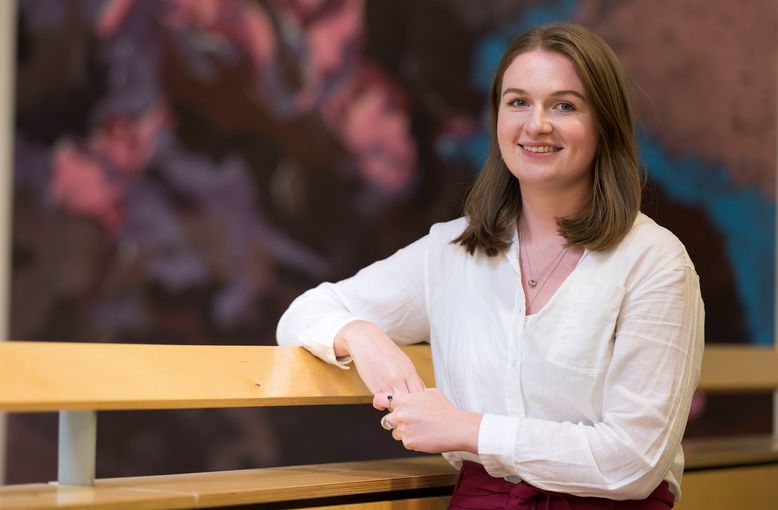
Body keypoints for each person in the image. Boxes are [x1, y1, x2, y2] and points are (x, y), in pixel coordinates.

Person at [277, 22, 704, 509]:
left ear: (604, 123)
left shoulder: (654, 262)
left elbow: (633, 461)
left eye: (564, 105)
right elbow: (303, 314)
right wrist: (363, 337)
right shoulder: (451, 251)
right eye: (518, 102)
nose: (536, 123)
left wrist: (469, 429)